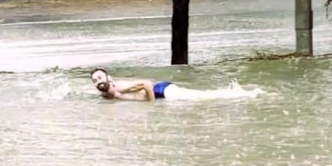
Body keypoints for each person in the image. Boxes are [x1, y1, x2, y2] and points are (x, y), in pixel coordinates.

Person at [89, 68, 264, 102]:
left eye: (100, 78)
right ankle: (235, 92)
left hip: (162, 90)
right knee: (202, 96)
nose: (98, 82)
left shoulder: (118, 87)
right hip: (163, 94)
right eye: (95, 81)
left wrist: (151, 106)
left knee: (201, 97)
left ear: (108, 78)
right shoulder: (106, 95)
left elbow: (147, 84)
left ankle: (246, 93)